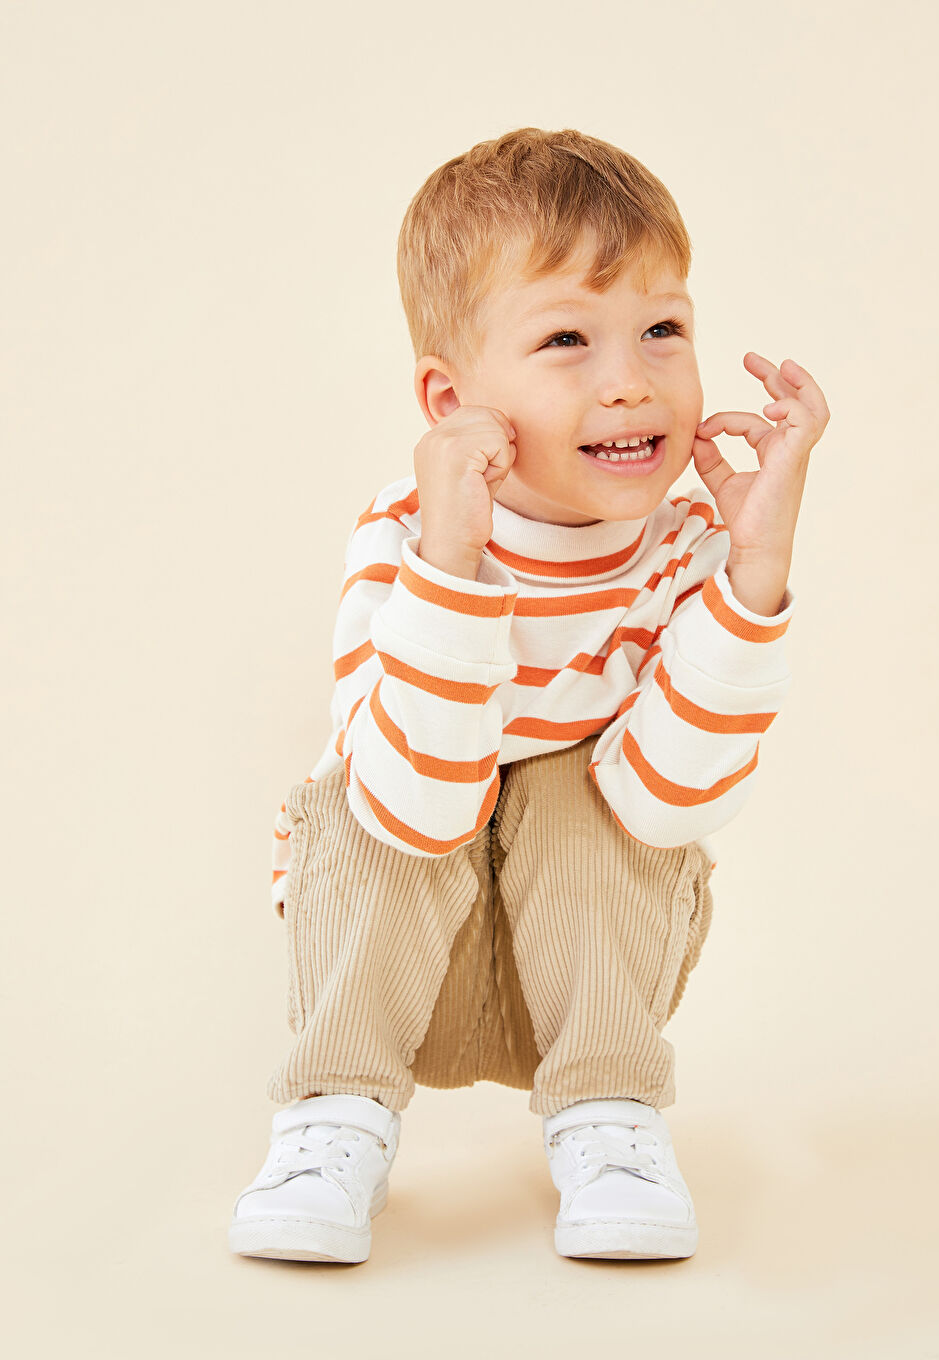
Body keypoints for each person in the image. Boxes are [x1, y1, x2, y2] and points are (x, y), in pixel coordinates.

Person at [228, 126, 828, 1266]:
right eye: (568, 338)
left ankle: (611, 1122)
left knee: (578, 787)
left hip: (590, 977)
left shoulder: (688, 545)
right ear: (454, 399)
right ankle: (330, 1119)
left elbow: (669, 804)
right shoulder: (403, 539)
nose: (630, 378)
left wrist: (752, 577)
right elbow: (415, 808)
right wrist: (454, 570)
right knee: (364, 793)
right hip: (401, 959)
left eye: (663, 328)